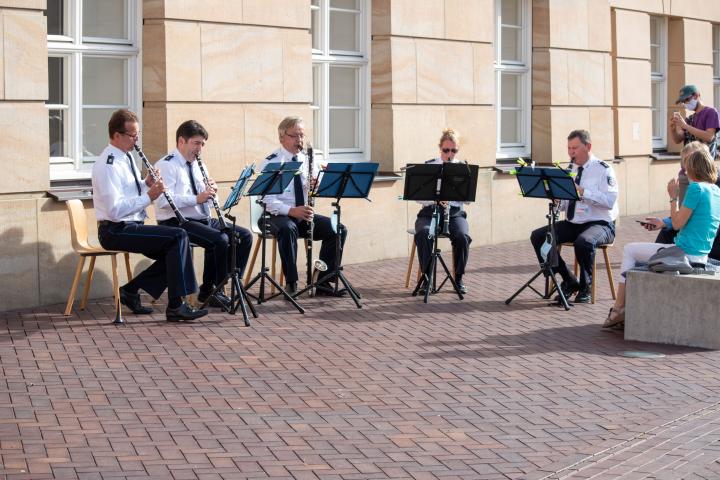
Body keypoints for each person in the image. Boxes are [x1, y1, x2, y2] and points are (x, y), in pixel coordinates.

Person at [91, 109, 207, 322]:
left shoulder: (126, 157)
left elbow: (132, 192)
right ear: (116, 135)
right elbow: (115, 210)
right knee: (178, 236)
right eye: (132, 136)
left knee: (176, 249)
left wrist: (147, 184)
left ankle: (131, 291)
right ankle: (176, 305)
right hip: (114, 229)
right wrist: (150, 196)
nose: (136, 140)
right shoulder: (107, 164)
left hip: (130, 225)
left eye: (138, 135)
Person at [604, 148, 720, 328]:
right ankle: (628, 307)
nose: (685, 172)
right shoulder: (715, 191)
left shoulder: (696, 188)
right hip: (701, 255)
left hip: (684, 254)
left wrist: (673, 198)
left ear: (694, 168)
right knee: (641, 255)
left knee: (629, 250)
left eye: (687, 167)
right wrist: (662, 222)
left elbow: (677, 224)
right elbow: (695, 220)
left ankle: (618, 308)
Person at [154, 120, 253, 309]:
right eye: (196, 143)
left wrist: (211, 192)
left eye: (202, 144)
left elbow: (203, 195)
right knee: (219, 239)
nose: (199, 149)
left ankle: (230, 285)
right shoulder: (168, 165)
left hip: (202, 218)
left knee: (244, 236)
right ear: (181, 141)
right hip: (176, 222)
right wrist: (196, 198)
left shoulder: (200, 164)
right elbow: (162, 201)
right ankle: (209, 291)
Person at [258, 116, 347, 296]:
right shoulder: (272, 162)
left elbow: (317, 188)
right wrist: (291, 210)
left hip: (302, 214)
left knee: (338, 229)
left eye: (302, 135)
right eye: (295, 136)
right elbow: (265, 198)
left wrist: (317, 186)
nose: (299, 140)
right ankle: (292, 283)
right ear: (282, 137)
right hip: (275, 216)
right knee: (288, 229)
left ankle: (323, 281)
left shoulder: (308, 160)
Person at [530, 129, 619, 304]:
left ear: (588, 146)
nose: (571, 152)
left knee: (583, 242)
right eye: (569, 148)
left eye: (575, 148)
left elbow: (610, 201)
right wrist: (557, 200)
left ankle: (586, 288)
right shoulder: (569, 169)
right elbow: (566, 204)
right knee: (539, 236)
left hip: (600, 223)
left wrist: (583, 191)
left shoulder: (603, 170)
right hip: (574, 222)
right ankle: (569, 279)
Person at [658, 85, 720, 244]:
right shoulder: (691, 118)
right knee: (685, 212)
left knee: (696, 212)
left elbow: (709, 136)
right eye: (683, 101)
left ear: (697, 95)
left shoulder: (710, 112)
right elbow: (679, 139)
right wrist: (674, 128)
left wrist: (685, 126)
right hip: (687, 171)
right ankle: (678, 241)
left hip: (703, 170)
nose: (685, 104)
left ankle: (684, 244)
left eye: (687, 99)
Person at [413, 128, 472, 293]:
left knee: (462, 236)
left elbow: (467, 201)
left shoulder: (463, 168)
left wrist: (456, 194)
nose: (450, 154)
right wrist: (435, 199)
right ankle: (426, 279)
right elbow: (418, 198)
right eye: (446, 150)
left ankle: (458, 279)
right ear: (440, 148)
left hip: (454, 213)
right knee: (424, 233)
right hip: (429, 212)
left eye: (454, 150)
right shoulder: (430, 166)